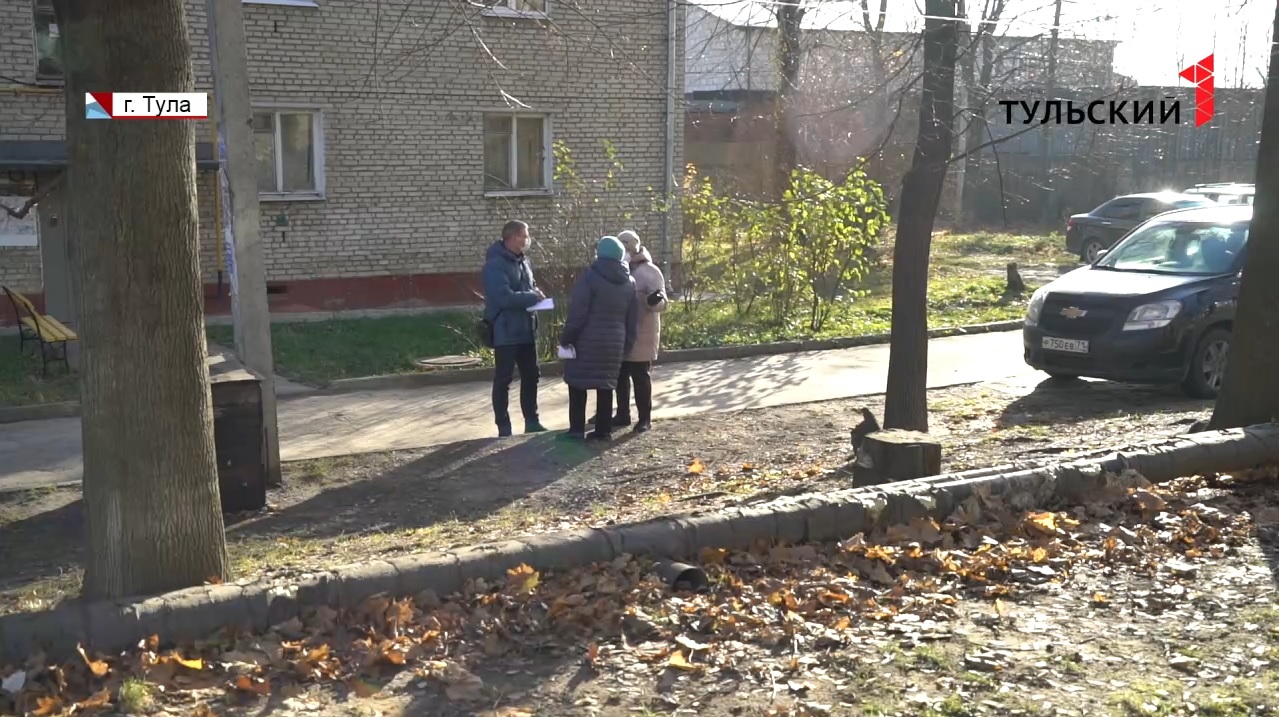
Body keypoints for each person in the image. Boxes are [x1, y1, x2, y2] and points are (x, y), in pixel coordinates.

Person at [559, 236, 639, 441]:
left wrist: (567, 339)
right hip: (614, 343)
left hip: (586, 342)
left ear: (599, 254)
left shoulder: (589, 277)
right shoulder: (629, 282)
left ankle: (576, 430)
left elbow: (578, 313)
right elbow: (632, 319)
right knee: (605, 386)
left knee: (577, 384)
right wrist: (626, 345)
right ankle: (603, 431)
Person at [482, 220, 548, 438]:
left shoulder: (523, 261)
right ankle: (504, 427)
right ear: (512, 237)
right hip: (506, 331)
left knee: (532, 376)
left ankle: (532, 421)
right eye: (524, 236)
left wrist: (536, 292)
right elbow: (503, 297)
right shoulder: (495, 264)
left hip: (527, 328)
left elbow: (527, 287)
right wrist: (532, 296)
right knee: (504, 379)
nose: (528, 240)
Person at [610, 230, 668, 433]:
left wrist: (653, 301)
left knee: (640, 376)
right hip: (621, 332)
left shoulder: (650, 271)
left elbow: (662, 302)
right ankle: (622, 414)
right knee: (620, 376)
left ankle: (645, 418)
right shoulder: (617, 269)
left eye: (626, 247)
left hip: (642, 333)